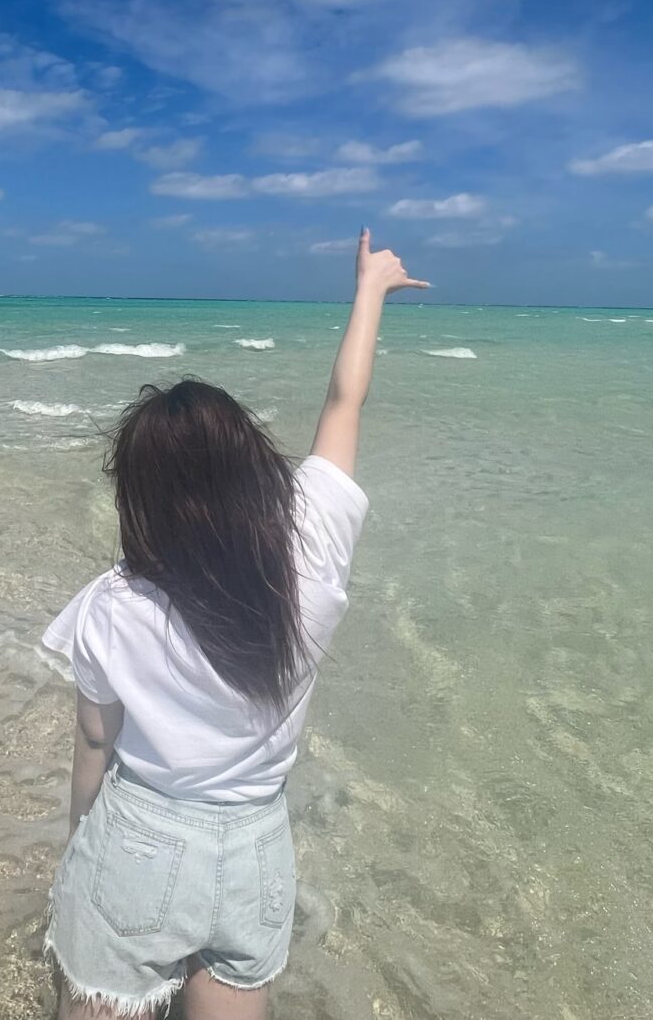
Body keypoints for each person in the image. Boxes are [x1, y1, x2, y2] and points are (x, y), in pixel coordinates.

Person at [41, 228, 430, 1018]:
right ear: (256, 463)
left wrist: (80, 843)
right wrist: (369, 292)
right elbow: (345, 403)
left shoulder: (114, 606)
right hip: (257, 852)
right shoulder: (313, 551)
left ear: (137, 499)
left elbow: (93, 743)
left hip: (141, 843)